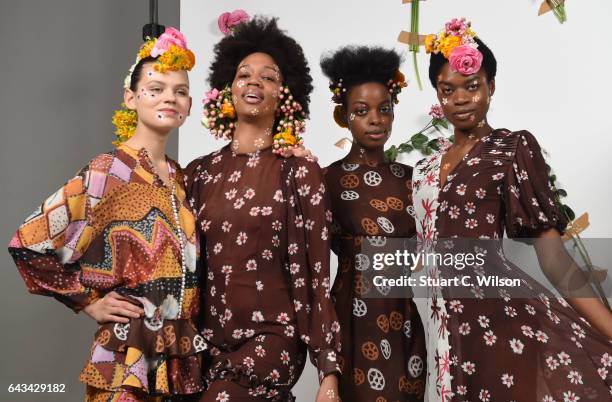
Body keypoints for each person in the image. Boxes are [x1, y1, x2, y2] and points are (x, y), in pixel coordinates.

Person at [412, 18, 612, 401]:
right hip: (443, 331)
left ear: (491, 86)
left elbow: (553, 259)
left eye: (472, 86)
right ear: (438, 94)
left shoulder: (511, 148)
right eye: (447, 89)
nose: (461, 98)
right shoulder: (423, 169)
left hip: (501, 323)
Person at [8, 28, 207, 401]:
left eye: (180, 91)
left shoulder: (184, 178)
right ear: (131, 99)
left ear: (190, 105)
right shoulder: (107, 171)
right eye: (157, 88)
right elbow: (28, 242)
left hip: (180, 356)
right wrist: (88, 301)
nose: (170, 97)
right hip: (126, 354)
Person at [184, 17, 341, 401]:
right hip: (205, 344)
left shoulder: (298, 170)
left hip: (272, 338)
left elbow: (316, 273)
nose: (254, 82)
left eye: (268, 77)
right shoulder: (198, 173)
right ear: (228, 88)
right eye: (243, 74)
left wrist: (328, 372)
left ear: (285, 95)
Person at [320, 45, 427, 401]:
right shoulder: (325, 180)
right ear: (343, 117)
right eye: (361, 111)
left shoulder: (415, 179)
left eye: (385, 109)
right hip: (350, 320)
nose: (375, 120)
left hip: (403, 318)